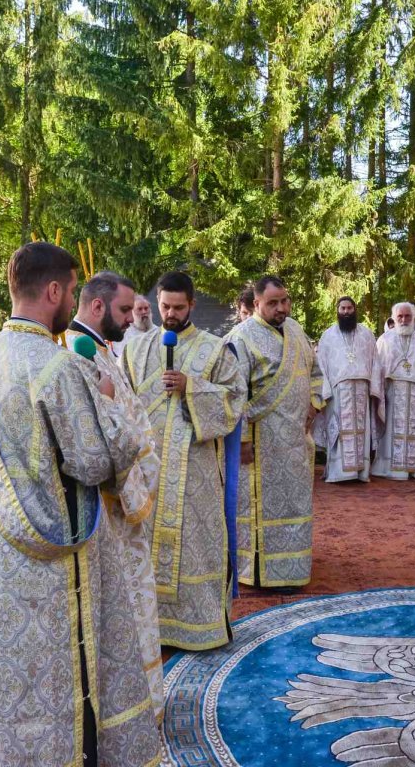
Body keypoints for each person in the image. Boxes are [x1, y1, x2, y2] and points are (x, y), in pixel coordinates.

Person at [0, 242, 164, 766]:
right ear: (55, 291)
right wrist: (109, 405)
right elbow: (96, 462)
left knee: (8, 678)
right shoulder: (58, 367)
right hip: (56, 573)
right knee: (64, 676)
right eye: (71, 290)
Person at [123, 270, 246, 650]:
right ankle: (151, 628)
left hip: (196, 471)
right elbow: (122, 403)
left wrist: (191, 386)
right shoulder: (135, 350)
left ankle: (200, 626)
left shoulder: (215, 349)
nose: (171, 314)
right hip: (149, 469)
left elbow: (235, 399)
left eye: (178, 307)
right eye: (165, 307)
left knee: (198, 545)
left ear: (191, 304)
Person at [68, 270, 166, 710]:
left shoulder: (102, 349)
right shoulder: (76, 351)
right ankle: (129, 706)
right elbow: (92, 438)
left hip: (126, 507)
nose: (131, 317)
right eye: (124, 309)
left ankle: (141, 702)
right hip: (111, 513)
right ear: (97, 306)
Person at [226, 275, 324, 589]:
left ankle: (292, 570)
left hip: (295, 440)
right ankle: (259, 573)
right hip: (261, 443)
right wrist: (241, 440)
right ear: (256, 304)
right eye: (273, 303)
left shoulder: (295, 329)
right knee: (262, 508)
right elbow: (233, 393)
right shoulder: (241, 338)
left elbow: (315, 371)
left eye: (284, 301)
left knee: (295, 504)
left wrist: (314, 404)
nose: (281, 308)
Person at [314, 296, 383, 483]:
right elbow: (321, 365)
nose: (346, 312)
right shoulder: (328, 335)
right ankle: (339, 472)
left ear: (355, 310)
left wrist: (374, 387)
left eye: (349, 308)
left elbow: (375, 361)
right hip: (338, 390)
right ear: (337, 311)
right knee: (339, 429)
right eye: (342, 308)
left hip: (361, 389)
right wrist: (325, 391)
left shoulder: (367, 334)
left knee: (360, 431)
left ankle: (360, 471)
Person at [372, 302, 415, 480]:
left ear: (414, 317)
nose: (403, 320)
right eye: (400, 316)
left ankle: (414, 467)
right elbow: (378, 369)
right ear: (394, 318)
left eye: (407, 316)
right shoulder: (384, 339)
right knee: (392, 430)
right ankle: (390, 467)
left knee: (414, 428)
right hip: (392, 393)